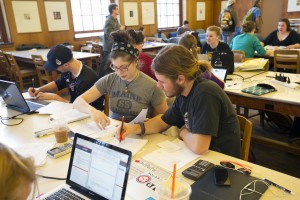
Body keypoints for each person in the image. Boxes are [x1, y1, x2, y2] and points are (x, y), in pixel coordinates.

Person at [116, 45, 241, 158]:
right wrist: (132, 128)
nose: (158, 86)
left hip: (222, 162)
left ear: (180, 79)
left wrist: (183, 132)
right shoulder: (183, 93)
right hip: (202, 157)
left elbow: (200, 147)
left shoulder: (205, 93)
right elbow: (163, 121)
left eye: (162, 81)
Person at [73, 31, 168, 128]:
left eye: (124, 67)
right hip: (113, 130)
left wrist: (150, 123)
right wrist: (92, 111)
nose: (119, 72)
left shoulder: (151, 85)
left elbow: (165, 118)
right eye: (115, 67)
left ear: (135, 61)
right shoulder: (110, 79)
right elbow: (78, 101)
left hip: (139, 132)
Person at [28, 44, 103, 110]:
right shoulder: (68, 71)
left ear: (66, 65)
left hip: (89, 115)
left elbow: (78, 106)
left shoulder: (86, 80)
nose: (56, 69)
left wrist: (55, 97)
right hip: (74, 109)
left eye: (56, 67)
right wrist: (39, 89)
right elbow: (58, 83)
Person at [99, 3, 125, 78]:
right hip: (109, 45)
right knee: (105, 63)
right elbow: (108, 33)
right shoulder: (108, 20)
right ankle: (100, 79)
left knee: (116, 62)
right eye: (117, 9)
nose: (119, 10)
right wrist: (119, 29)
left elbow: (116, 29)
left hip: (115, 44)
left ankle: (117, 76)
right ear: (113, 10)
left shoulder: (115, 19)